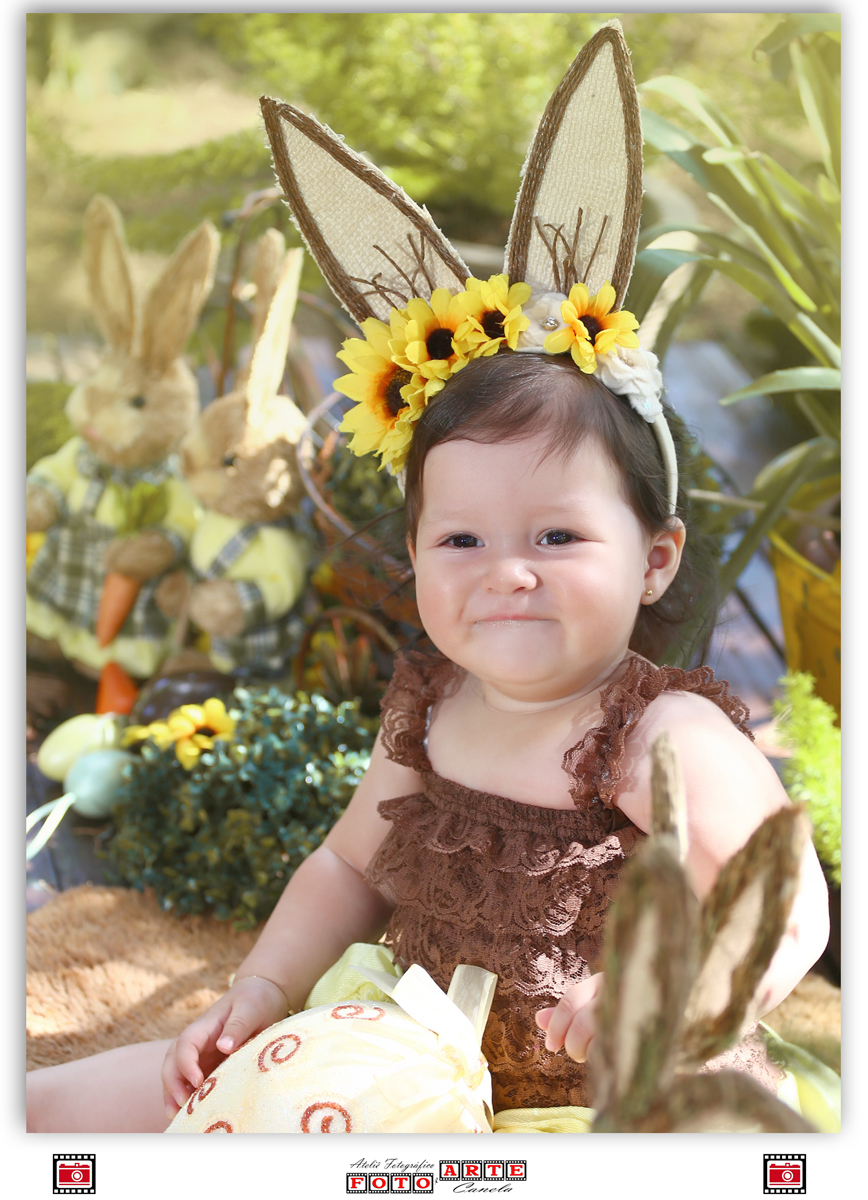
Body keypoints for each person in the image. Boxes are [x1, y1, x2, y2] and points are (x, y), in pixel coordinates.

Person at [27, 22, 831, 1133]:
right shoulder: (434, 710)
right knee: (101, 1099)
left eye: (555, 539)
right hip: (416, 1047)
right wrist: (262, 987)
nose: (506, 574)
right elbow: (345, 868)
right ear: (412, 561)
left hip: (622, 1085)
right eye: (460, 543)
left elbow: (780, 904)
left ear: (655, 560)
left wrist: (663, 998)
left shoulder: (659, 738)